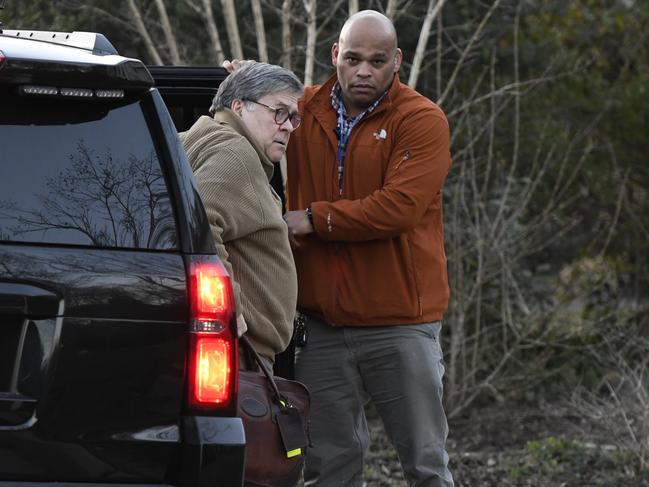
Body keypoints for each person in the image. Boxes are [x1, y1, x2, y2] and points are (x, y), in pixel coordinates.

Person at [226, 9, 453, 486]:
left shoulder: (422, 120)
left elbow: (400, 207)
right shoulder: (300, 108)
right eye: (352, 58)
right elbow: (251, 123)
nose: (363, 71)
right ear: (336, 56)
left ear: (397, 61)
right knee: (328, 467)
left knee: (426, 464)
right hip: (321, 328)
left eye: (377, 60)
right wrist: (247, 90)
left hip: (401, 324)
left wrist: (312, 219)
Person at [180, 62, 304, 368]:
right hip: (240, 354)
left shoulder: (201, 140)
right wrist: (227, 306)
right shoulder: (236, 154)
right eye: (278, 112)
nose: (287, 126)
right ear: (238, 106)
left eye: (293, 117)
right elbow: (198, 219)